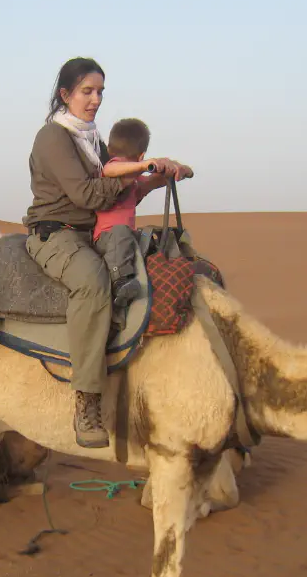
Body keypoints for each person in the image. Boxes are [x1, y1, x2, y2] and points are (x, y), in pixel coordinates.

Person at [23, 57, 177, 448]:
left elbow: (121, 187)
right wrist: (136, 172)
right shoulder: (54, 138)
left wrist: (157, 177)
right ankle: (87, 401)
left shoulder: (93, 140)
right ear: (65, 95)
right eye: (87, 92)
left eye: (100, 92)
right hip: (56, 234)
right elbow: (88, 194)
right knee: (93, 283)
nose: (95, 100)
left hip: (92, 231)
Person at [93, 117, 193, 306]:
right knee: (121, 232)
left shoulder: (134, 181)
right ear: (141, 156)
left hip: (123, 238)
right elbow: (110, 168)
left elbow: (154, 181)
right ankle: (120, 281)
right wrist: (144, 165)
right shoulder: (112, 169)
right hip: (107, 237)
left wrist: (179, 170)